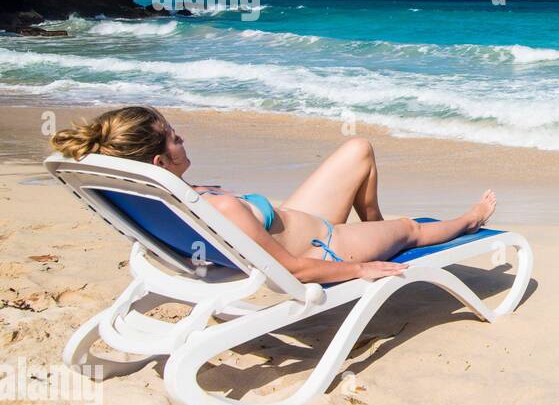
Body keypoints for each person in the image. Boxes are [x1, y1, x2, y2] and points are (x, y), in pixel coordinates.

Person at [50, 106, 496, 283]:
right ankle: (469, 220)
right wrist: (359, 269)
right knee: (411, 229)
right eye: (171, 137)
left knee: (358, 148)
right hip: (327, 246)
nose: (180, 136)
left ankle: (372, 221)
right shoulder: (217, 207)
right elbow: (292, 270)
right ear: (158, 164)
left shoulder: (169, 197)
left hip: (295, 218)